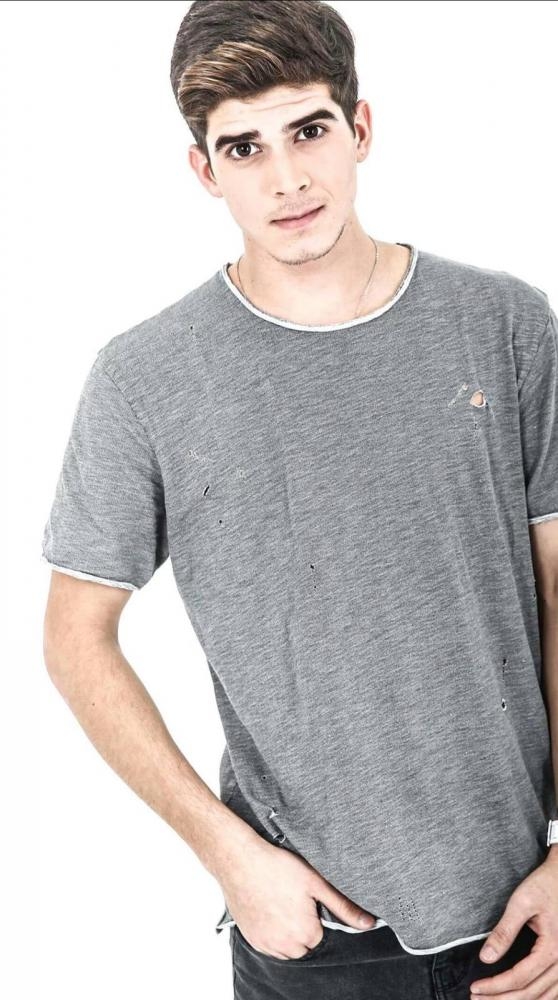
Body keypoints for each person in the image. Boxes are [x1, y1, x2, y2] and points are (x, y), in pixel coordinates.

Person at [41, 1, 558, 997]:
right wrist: (228, 853)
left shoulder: (504, 325)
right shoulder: (146, 377)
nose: (286, 180)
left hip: (523, 910)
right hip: (313, 930)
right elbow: (74, 636)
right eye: (244, 147)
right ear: (205, 169)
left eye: (309, 130)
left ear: (360, 128)